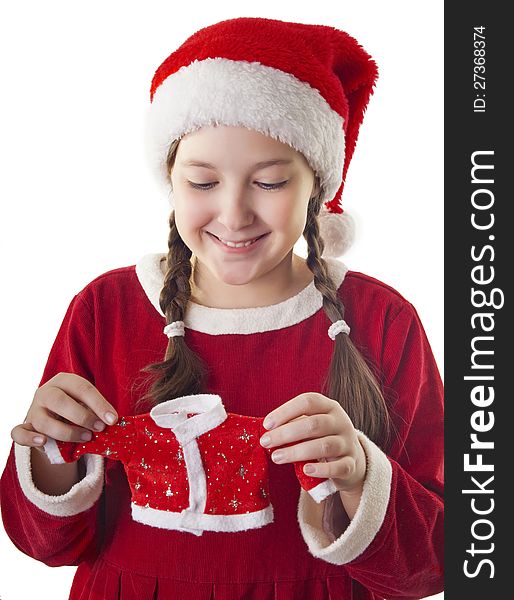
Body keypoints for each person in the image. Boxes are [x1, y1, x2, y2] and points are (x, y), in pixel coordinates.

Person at [0, 16, 443, 600]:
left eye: (270, 181)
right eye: (203, 183)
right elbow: (46, 545)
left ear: (317, 186)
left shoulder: (384, 322)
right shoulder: (105, 311)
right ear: (171, 181)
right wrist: (53, 451)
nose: (234, 216)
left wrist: (360, 476)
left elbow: (435, 564)